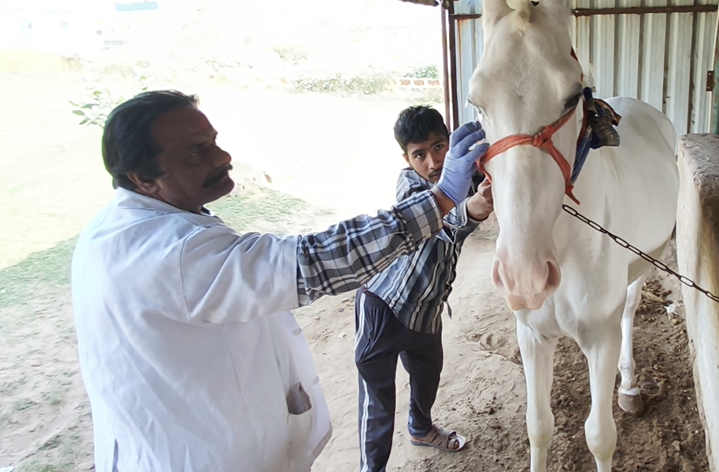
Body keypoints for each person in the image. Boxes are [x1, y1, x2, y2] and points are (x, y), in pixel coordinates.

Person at [71, 90, 487, 472]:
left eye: (214, 141)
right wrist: (443, 197)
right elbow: (316, 261)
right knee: (378, 399)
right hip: (202, 458)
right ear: (144, 179)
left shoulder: (121, 228)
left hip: (209, 445)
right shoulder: (169, 255)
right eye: (198, 153)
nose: (222, 157)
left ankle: (419, 426)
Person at [355, 105, 493, 472]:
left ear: (450, 144)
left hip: (426, 310)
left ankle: (420, 428)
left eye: (439, 147)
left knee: (427, 378)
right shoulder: (410, 186)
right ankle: (373, 469)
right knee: (378, 400)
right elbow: (441, 222)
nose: (432, 162)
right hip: (384, 307)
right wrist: (475, 207)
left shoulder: (464, 181)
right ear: (407, 158)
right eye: (420, 154)